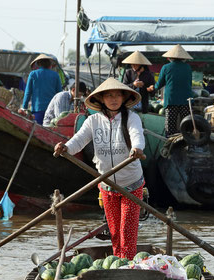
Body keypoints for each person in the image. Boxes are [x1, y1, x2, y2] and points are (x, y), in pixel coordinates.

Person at [54, 78, 146, 259]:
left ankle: (125, 266)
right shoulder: (93, 121)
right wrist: (66, 148)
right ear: (101, 99)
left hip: (131, 184)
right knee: (114, 230)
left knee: (127, 230)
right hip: (106, 184)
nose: (114, 99)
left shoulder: (131, 118)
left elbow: (137, 135)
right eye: (109, 95)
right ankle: (118, 261)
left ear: (124, 98)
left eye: (117, 95)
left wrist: (137, 148)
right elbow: (79, 140)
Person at [147, 44, 192, 136]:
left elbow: (159, 83)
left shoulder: (166, 67)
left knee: (170, 127)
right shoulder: (188, 67)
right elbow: (189, 83)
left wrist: (153, 88)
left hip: (171, 100)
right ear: (183, 57)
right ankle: (187, 143)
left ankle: (170, 145)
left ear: (169, 58)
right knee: (186, 125)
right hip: (186, 100)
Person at [19, 54, 62, 124]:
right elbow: (59, 94)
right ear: (50, 64)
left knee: (37, 130)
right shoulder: (55, 75)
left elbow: (27, 93)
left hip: (37, 109)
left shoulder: (33, 74)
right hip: (52, 110)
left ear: (39, 64)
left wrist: (24, 108)